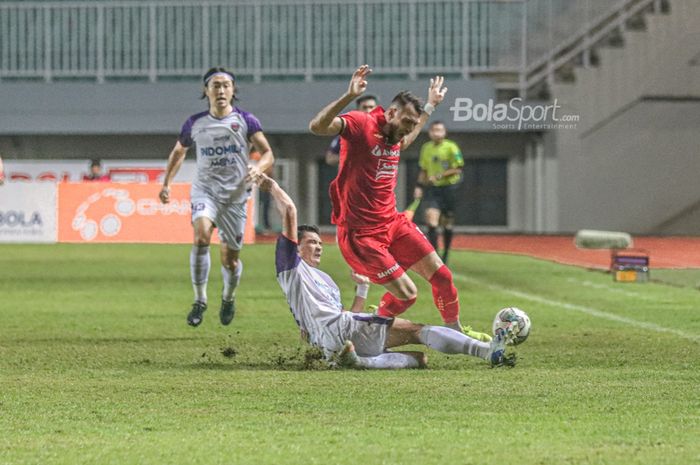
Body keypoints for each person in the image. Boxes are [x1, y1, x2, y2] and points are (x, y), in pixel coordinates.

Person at [257, 172, 515, 369]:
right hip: (340, 331)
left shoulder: (325, 281)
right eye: (311, 242)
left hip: (331, 341)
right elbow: (290, 210)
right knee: (417, 330)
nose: (318, 247)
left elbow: (347, 315)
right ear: (296, 248)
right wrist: (271, 186)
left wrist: (362, 288)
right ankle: (486, 350)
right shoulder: (291, 266)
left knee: (419, 359)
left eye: (319, 242)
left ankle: (356, 360)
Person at [308, 64, 489, 341]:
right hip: (361, 236)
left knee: (443, 277)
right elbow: (317, 126)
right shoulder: (361, 123)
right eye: (405, 122)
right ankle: (371, 327)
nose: (408, 129)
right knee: (407, 295)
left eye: (412, 125)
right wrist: (347, 96)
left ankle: (457, 335)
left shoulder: (397, 136)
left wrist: (429, 106)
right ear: (391, 113)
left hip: (393, 223)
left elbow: (407, 140)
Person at [159, 66, 275, 327]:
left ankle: (228, 297)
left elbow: (268, 153)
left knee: (230, 260)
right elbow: (178, 153)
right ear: (206, 91)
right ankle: (199, 300)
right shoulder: (195, 123)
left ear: (233, 91)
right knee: (200, 236)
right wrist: (166, 183)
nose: (221, 90)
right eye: (215, 85)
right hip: (205, 191)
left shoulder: (246, 121)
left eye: (226, 85)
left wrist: (259, 167)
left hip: (234, 197)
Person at [414, 121, 464, 264]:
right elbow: (423, 169)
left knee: (447, 224)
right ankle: (435, 256)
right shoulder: (426, 148)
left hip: (449, 188)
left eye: (440, 130)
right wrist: (419, 186)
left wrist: (441, 175)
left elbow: (458, 168)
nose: (437, 133)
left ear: (444, 132)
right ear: (430, 132)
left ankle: (446, 253)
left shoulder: (451, 147)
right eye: (434, 130)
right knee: (431, 220)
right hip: (432, 189)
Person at [324, 95, 378, 167]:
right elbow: (330, 159)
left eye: (371, 107)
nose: (368, 110)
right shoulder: (348, 132)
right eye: (364, 107)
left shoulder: (385, 131)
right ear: (358, 110)